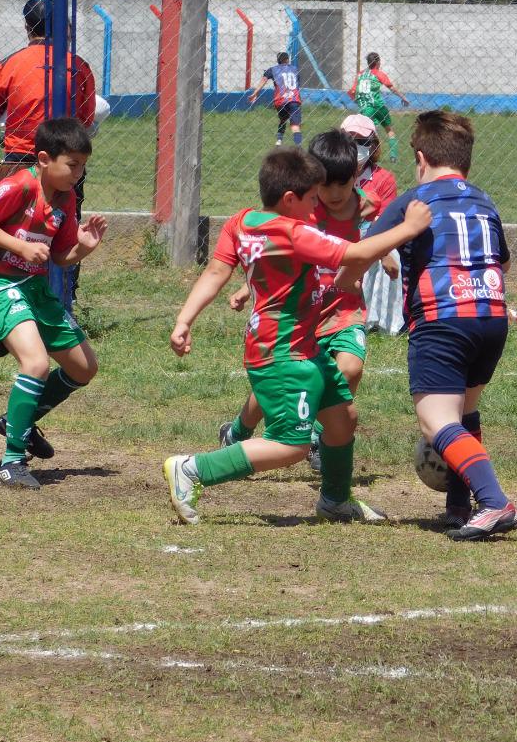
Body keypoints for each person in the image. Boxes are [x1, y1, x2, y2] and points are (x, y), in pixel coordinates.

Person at [162, 146, 431, 525]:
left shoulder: (241, 223)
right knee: (291, 444)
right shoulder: (295, 233)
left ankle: (335, 501)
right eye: (310, 198)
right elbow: (354, 254)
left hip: (299, 348)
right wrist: (408, 228)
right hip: (283, 353)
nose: (316, 206)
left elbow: (215, 274)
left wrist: (184, 320)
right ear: (290, 199)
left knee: (342, 420)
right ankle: (192, 469)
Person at [351, 111, 517, 542]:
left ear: (421, 158)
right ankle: (459, 505)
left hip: (443, 318)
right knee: (464, 412)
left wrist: (344, 274)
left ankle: (494, 502)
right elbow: (501, 259)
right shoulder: (484, 200)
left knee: (436, 422)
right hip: (491, 316)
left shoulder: (415, 201)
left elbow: (365, 250)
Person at [217, 130, 395, 471]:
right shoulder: (303, 211)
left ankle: (316, 434)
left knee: (350, 367)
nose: (332, 195)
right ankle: (239, 431)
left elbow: (380, 228)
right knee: (279, 385)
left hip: (343, 306)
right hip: (302, 313)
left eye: (341, 186)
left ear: (356, 177)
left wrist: (386, 254)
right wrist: (246, 287)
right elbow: (272, 256)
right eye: (324, 187)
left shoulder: (364, 204)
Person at [0, 118, 109, 490]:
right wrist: (20, 246)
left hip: (37, 290)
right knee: (37, 363)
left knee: (83, 368)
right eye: (72, 164)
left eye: (83, 166)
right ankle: (11, 461)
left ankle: (20, 423)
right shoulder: (19, 185)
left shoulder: (67, 197)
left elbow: (60, 256)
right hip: (1, 287)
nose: (78, 173)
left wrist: (84, 248)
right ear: (44, 158)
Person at [0, 0, 97, 162]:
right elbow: (87, 119)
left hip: (21, 153)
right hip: (66, 154)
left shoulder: (10, 63)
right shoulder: (79, 65)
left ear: (27, 27)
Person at [342, 113, 405, 334]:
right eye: (350, 140)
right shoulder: (330, 174)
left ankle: (381, 323)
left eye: (362, 142)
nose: (356, 147)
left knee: (388, 253)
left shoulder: (383, 179)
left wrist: (382, 250)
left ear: (373, 145)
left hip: (369, 239)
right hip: (338, 239)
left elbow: (384, 223)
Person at [349, 53, 409, 162]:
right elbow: (391, 88)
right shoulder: (378, 74)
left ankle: (366, 156)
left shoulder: (360, 75)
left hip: (366, 108)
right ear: (377, 62)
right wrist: (403, 97)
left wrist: (361, 102)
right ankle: (393, 156)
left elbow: (352, 92)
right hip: (379, 107)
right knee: (390, 131)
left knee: (365, 133)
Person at [249, 52, 302, 146]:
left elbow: (264, 80)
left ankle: (279, 141)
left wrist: (255, 93)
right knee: (295, 125)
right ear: (287, 59)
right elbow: (297, 86)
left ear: (278, 60)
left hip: (280, 100)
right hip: (294, 100)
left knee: (283, 120)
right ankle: (298, 145)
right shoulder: (295, 69)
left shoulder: (272, 69)